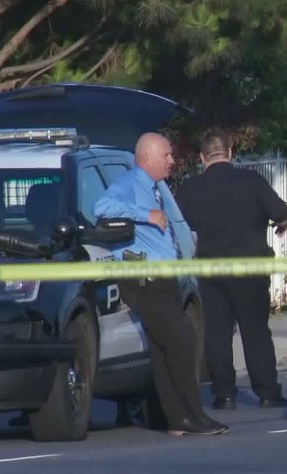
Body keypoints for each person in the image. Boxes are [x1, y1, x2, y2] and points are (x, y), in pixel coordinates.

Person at [92, 132, 228, 436]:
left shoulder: (154, 188)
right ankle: (192, 416)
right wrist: (146, 216)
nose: (172, 160)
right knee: (182, 344)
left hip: (164, 279)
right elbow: (102, 207)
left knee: (164, 348)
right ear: (147, 157)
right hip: (147, 280)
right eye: (166, 155)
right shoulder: (130, 185)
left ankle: (176, 418)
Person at [175, 132, 287, 410]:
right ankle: (267, 392)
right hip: (250, 269)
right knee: (256, 331)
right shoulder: (252, 182)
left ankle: (224, 394)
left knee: (217, 333)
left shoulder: (191, 188)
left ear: (202, 157)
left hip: (211, 269)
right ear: (230, 152)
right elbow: (280, 211)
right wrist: (282, 222)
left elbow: (178, 226)